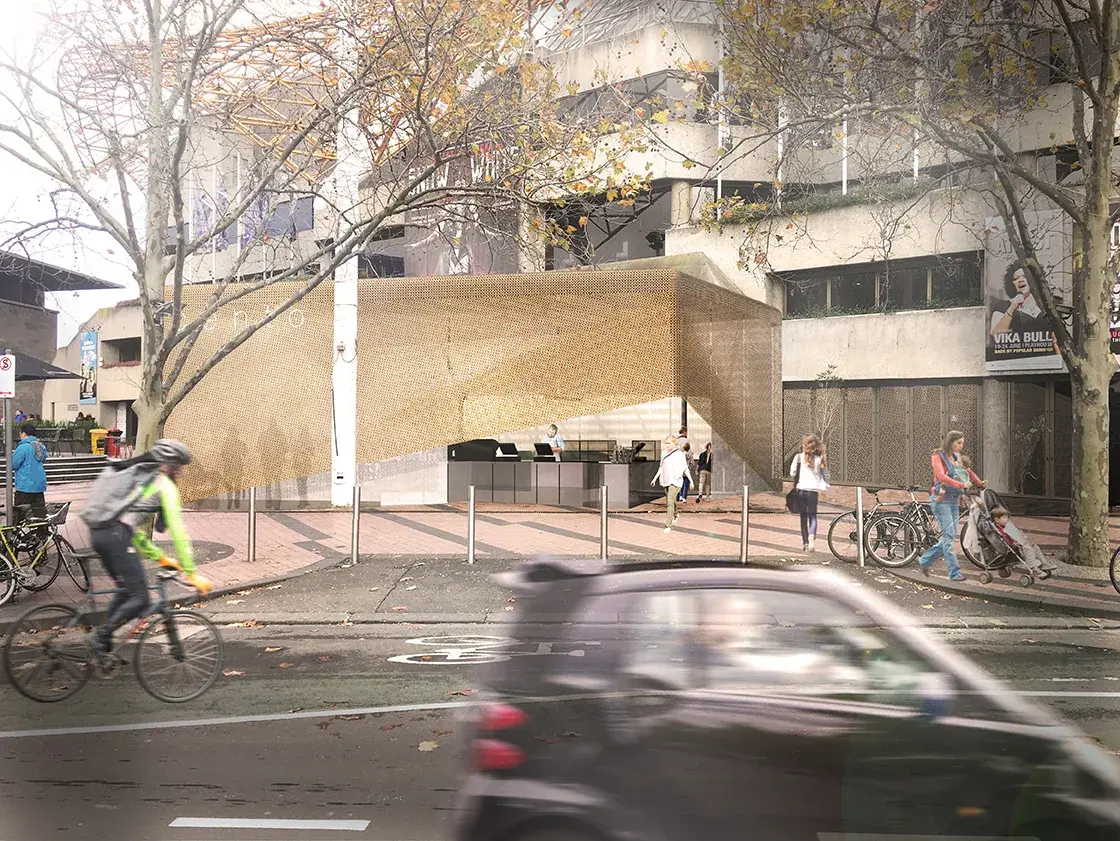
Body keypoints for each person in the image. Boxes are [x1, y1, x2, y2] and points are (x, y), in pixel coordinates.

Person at [80, 439, 213, 660]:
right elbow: (178, 529)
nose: (180, 473)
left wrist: (159, 557)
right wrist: (191, 573)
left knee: (126, 590)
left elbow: (132, 529)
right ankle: (101, 637)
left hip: (100, 534)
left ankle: (103, 648)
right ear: (170, 465)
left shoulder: (140, 480)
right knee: (141, 598)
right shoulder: (163, 484)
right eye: (179, 468)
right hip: (115, 536)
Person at [919, 430, 984, 582]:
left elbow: (967, 470)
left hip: (953, 500)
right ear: (950, 442)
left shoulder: (956, 456)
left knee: (950, 537)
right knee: (948, 538)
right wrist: (961, 484)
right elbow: (941, 476)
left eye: (962, 443)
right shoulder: (937, 455)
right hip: (941, 500)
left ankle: (924, 560)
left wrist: (979, 482)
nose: (961, 446)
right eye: (958, 443)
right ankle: (955, 574)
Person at [790, 434, 829, 553]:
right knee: (813, 516)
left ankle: (805, 543)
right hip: (813, 492)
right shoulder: (819, 459)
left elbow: (792, 473)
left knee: (803, 517)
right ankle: (812, 537)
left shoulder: (798, 457)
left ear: (804, 445)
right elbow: (826, 474)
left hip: (801, 490)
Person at [990, 506, 1056, 575]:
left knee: (1034, 546)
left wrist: (1019, 534)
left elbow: (1015, 534)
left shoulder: (1007, 526)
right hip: (1014, 548)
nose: (1007, 520)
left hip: (1019, 544)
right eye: (1004, 518)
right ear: (997, 520)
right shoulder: (999, 530)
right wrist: (1015, 542)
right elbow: (1005, 541)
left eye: (1007, 518)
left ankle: (1044, 563)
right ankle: (1033, 568)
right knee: (1028, 549)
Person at [12, 422, 48, 523]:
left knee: (19, 514)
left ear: (23, 433)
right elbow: (44, 457)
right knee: (40, 514)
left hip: (25, 486)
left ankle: (17, 532)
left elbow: (13, 464)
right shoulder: (40, 446)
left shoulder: (23, 447)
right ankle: (42, 531)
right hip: (39, 486)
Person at [652, 435, 688, 532]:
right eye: (666, 443)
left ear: (674, 443)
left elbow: (685, 467)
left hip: (675, 480)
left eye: (669, 443)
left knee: (669, 501)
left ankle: (668, 525)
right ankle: (676, 514)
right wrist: (655, 478)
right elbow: (661, 467)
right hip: (666, 480)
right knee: (670, 500)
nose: (667, 445)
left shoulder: (679, 454)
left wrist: (691, 480)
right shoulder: (664, 453)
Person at [677, 427, 692, 502]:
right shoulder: (686, 440)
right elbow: (689, 453)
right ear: (684, 432)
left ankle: (679, 496)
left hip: (678, 466)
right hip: (686, 466)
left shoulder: (676, 440)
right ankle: (684, 497)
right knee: (686, 482)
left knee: (679, 481)